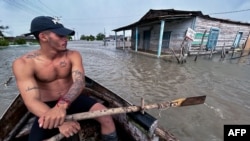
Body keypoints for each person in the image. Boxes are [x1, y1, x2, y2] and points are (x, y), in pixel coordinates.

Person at [12, 16, 117, 141]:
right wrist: (61, 122)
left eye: (66, 36)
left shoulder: (73, 55)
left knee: (107, 118)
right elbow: (31, 101)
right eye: (60, 36)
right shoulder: (24, 63)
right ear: (43, 37)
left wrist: (61, 106)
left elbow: (79, 82)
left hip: (73, 99)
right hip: (46, 106)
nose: (66, 39)